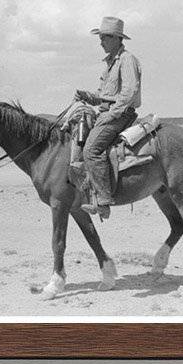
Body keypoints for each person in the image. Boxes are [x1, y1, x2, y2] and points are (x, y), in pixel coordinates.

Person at [74, 16, 142, 219]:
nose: (100, 42)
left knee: (92, 149)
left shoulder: (127, 60)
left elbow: (129, 92)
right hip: (109, 112)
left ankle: (103, 201)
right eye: (101, 37)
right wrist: (87, 96)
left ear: (116, 38)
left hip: (120, 114)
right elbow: (105, 96)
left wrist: (111, 114)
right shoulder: (110, 63)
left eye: (104, 37)